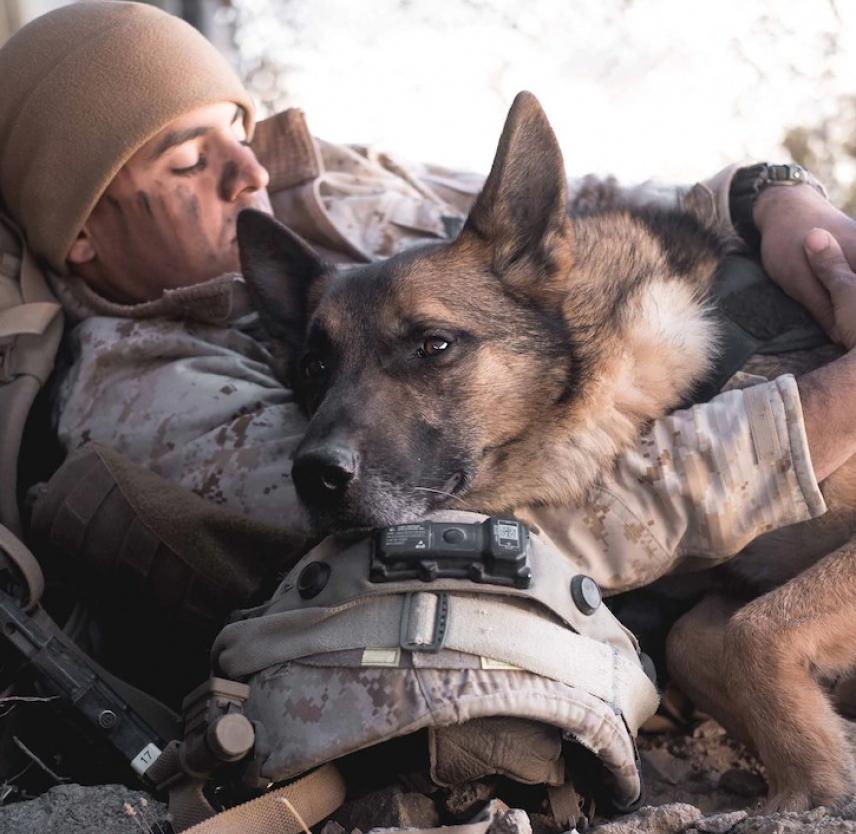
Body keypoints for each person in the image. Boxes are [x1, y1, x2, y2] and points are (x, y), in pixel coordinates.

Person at [0, 0, 854, 610]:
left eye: (240, 128)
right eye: (190, 161)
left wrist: (776, 198)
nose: (252, 170)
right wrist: (825, 412)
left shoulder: (334, 181)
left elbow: (600, 203)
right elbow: (502, 546)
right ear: (82, 233)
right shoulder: (145, 396)